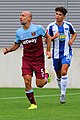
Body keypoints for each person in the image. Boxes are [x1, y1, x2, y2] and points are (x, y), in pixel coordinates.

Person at [3, 11, 51, 109]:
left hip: (38, 60)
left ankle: (46, 76)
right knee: (27, 81)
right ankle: (33, 104)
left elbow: (48, 37)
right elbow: (17, 44)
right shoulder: (19, 32)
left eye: (23, 16)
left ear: (29, 18)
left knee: (40, 84)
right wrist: (9, 50)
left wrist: (48, 51)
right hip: (27, 60)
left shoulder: (38, 29)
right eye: (20, 16)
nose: (20, 17)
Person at [46, 7, 77, 104]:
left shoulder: (68, 25)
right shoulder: (51, 26)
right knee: (58, 75)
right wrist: (53, 37)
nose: (57, 16)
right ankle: (61, 91)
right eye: (56, 14)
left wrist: (71, 40)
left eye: (60, 14)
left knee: (64, 72)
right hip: (55, 55)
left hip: (66, 53)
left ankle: (63, 94)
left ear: (63, 16)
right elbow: (45, 40)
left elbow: (74, 33)